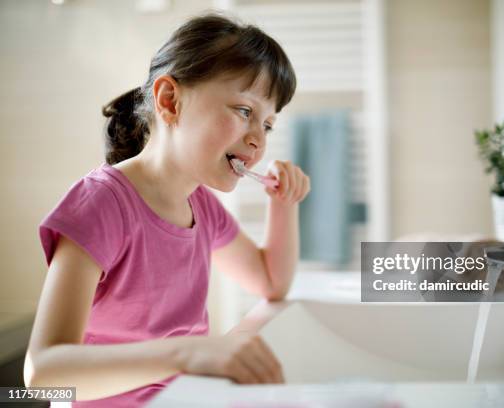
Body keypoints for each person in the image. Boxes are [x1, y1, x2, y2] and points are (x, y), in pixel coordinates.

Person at [24, 13, 309, 407]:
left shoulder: (201, 206)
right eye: (245, 111)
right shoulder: (101, 205)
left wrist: (284, 205)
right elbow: (42, 377)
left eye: (268, 124)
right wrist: (187, 355)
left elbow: (271, 282)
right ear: (169, 101)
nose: (258, 139)